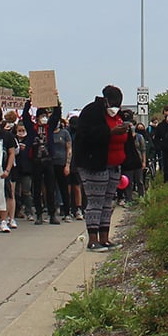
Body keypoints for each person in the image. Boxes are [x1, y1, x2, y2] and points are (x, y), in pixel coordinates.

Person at [73, 84, 130, 251]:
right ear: (106, 100)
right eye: (113, 104)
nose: (115, 108)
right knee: (95, 202)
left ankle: (105, 238)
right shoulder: (91, 112)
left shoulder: (117, 115)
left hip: (114, 164)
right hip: (95, 164)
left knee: (107, 203)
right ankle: (92, 239)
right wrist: (111, 133)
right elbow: (87, 136)